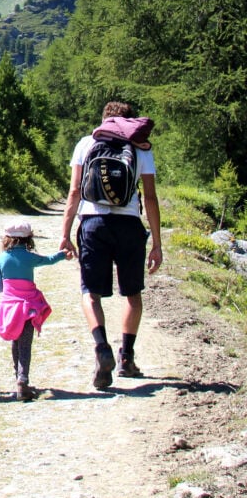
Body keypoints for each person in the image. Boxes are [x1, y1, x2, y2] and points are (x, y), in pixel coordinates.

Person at [60, 102, 162, 389]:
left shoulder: (86, 143)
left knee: (90, 294)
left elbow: (75, 192)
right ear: (129, 122)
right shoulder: (141, 147)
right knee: (132, 294)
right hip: (129, 226)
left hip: (93, 225)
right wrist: (156, 242)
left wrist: (66, 234)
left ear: (104, 120)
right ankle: (127, 358)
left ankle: (102, 347)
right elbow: (151, 198)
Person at [0, 220, 68, 401]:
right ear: (28, 238)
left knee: (15, 342)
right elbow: (49, 260)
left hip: (10, 308)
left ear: (7, 238)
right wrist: (62, 255)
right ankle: (23, 381)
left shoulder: (1, 258)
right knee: (25, 345)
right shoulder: (30, 257)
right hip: (28, 309)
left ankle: (17, 377)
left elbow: (0, 287)